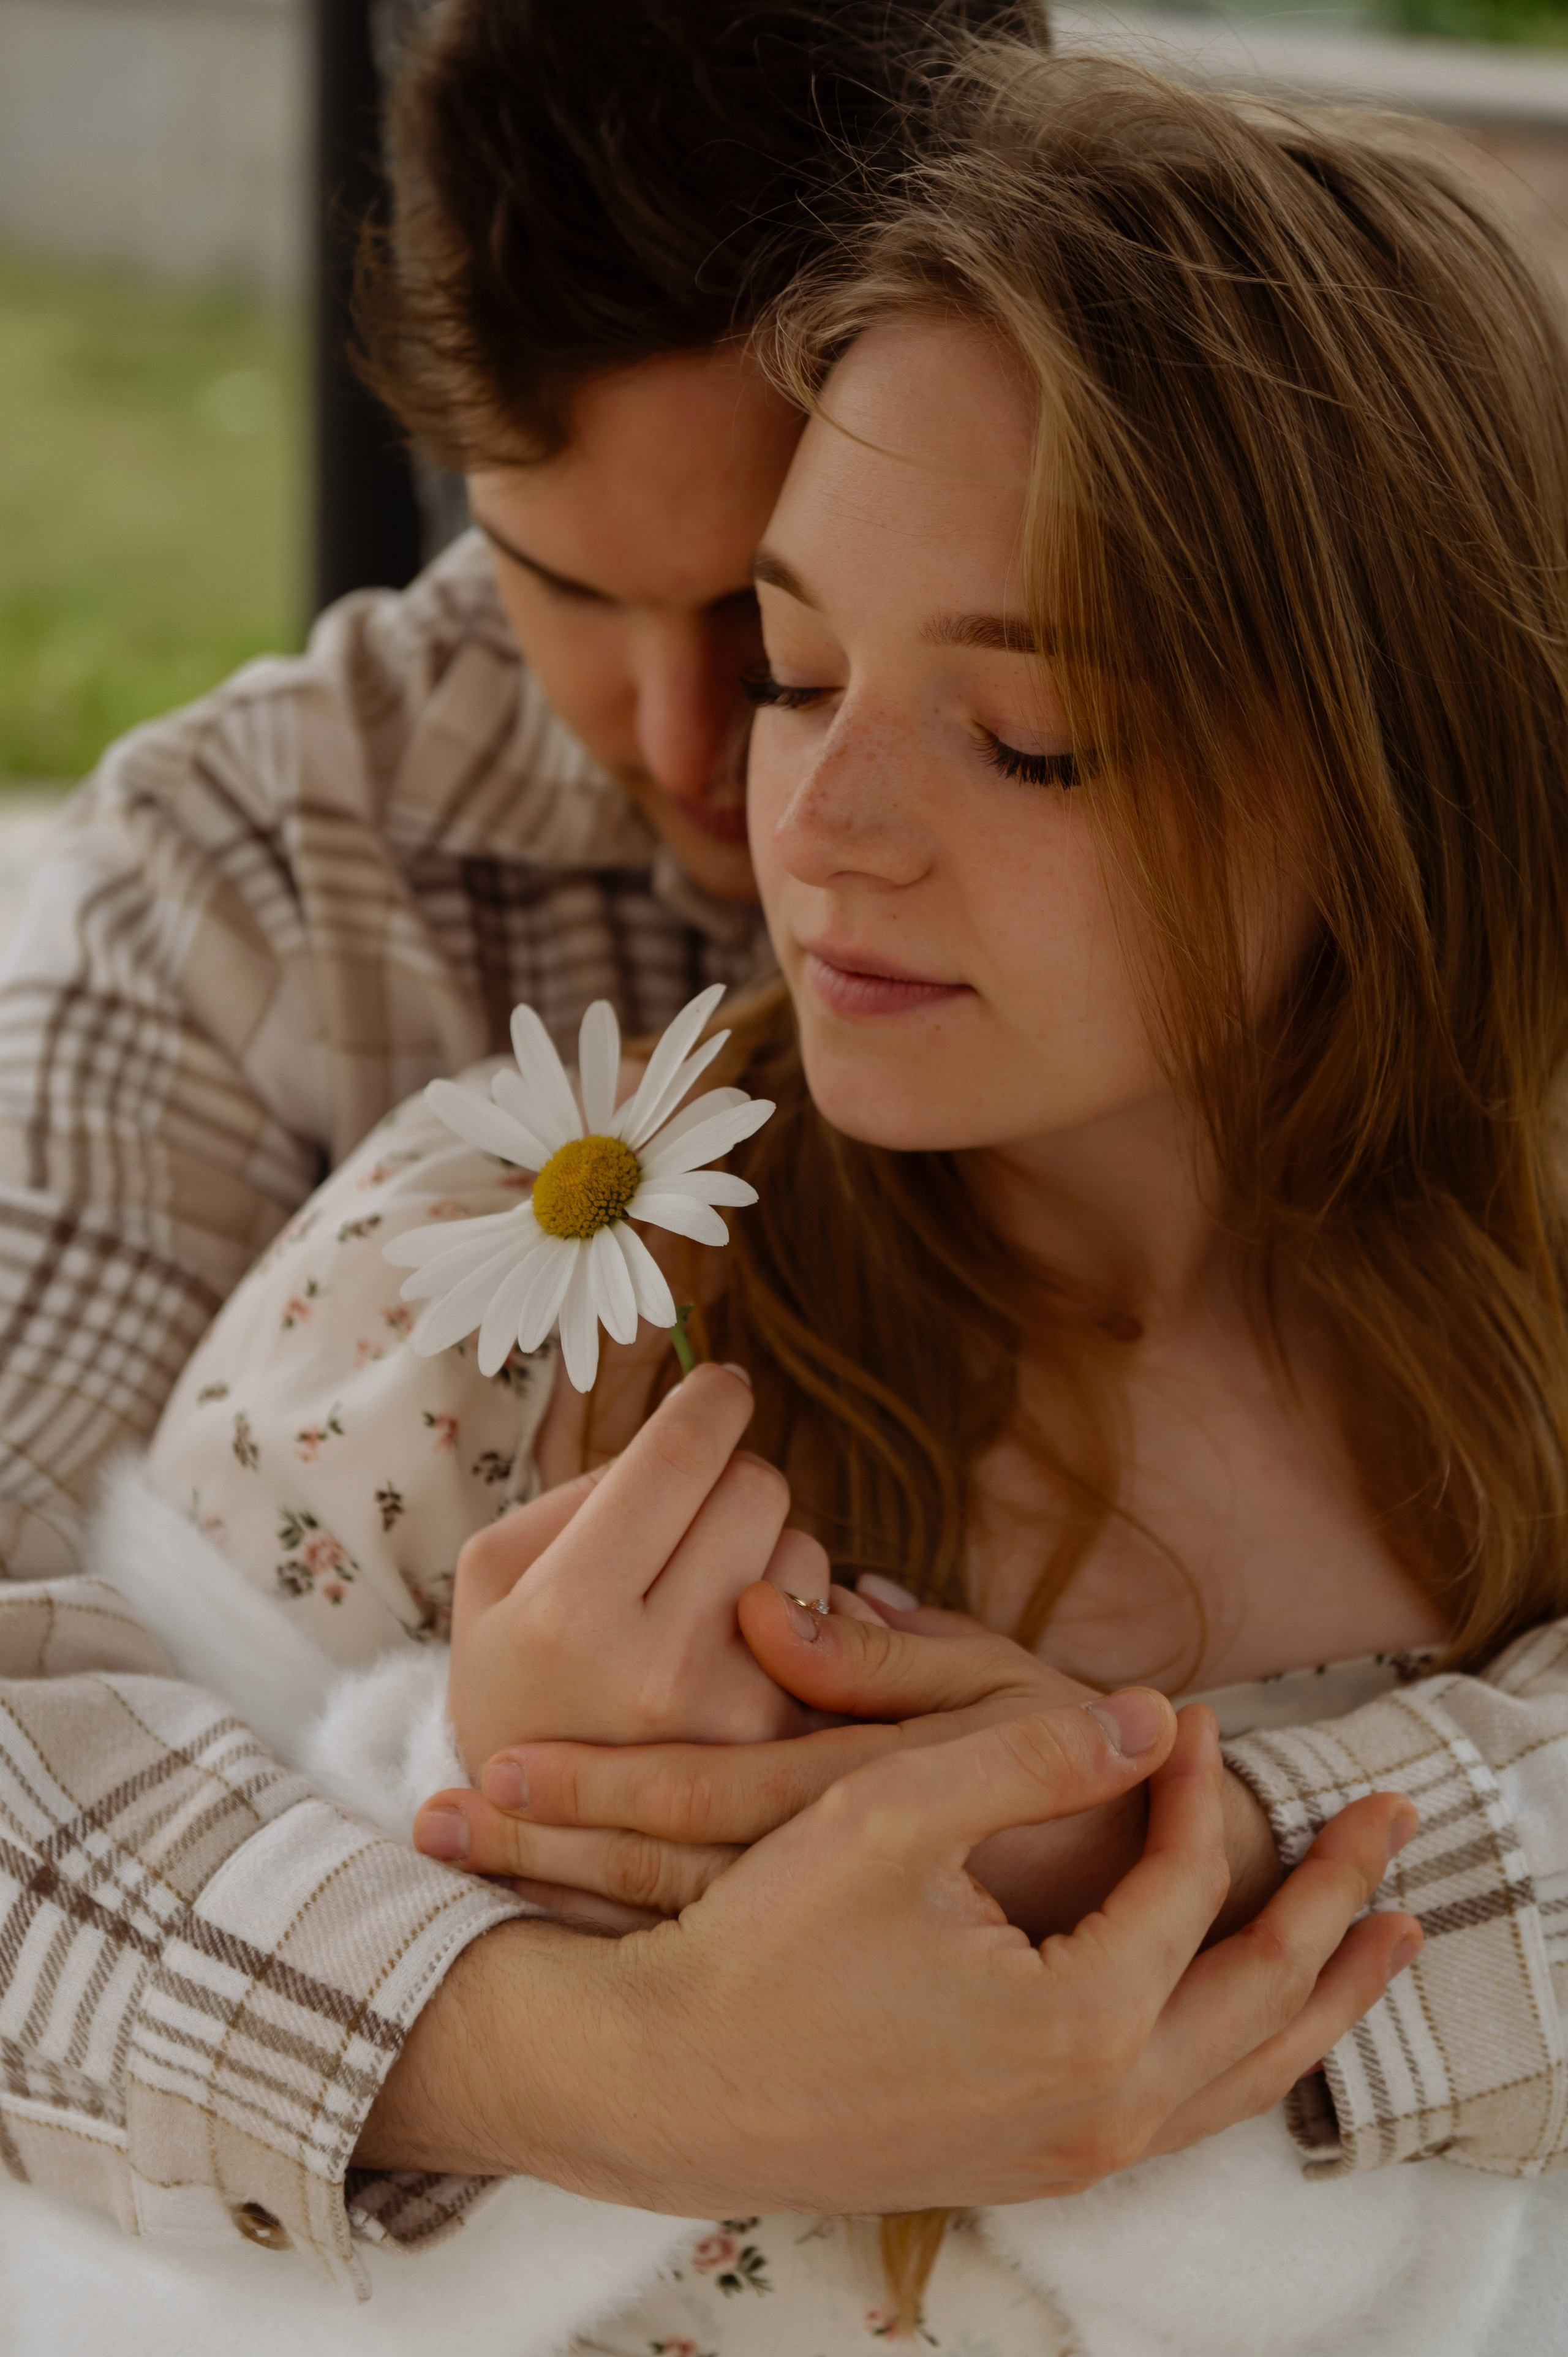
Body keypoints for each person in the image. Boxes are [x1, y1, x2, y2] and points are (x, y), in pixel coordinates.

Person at [77, 43, 1568, 2353]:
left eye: (1032, 732)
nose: (800, 818)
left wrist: (1156, 1864)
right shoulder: (468, 1279)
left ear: (1394, 784)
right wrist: (518, 1847)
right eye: (804, 669)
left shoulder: (1516, 1327)